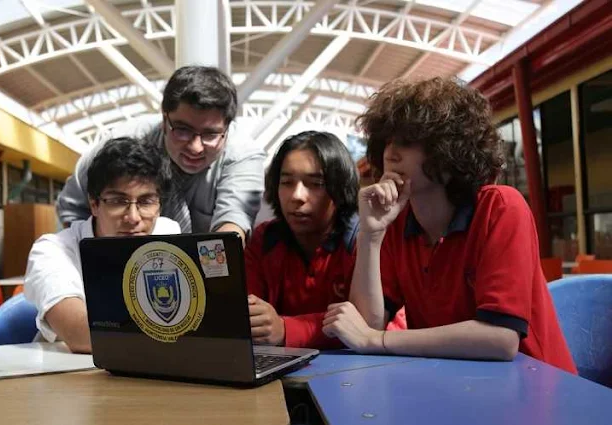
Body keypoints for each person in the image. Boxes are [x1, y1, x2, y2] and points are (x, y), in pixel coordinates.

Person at [322, 77, 577, 373]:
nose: (390, 154)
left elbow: (501, 338)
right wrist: (370, 234)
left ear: (449, 151)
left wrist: (377, 340)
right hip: (452, 383)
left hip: (538, 386)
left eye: (408, 141)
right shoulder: (395, 223)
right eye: (387, 141)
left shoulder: (500, 207)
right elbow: (364, 326)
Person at [56, 66, 265, 242]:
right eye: (183, 130)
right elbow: (73, 207)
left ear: (227, 128)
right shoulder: (121, 143)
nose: (196, 147)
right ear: (164, 120)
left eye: (210, 134)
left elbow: (233, 226)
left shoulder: (243, 155)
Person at [25, 137, 180, 353]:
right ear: (94, 204)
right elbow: (81, 334)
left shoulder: (167, 232)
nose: (133, 217)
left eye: (146, 201)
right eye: (118, 201)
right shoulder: (52, 251)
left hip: (150, 364)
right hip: (71, 369)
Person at [245, 131, 360, 349]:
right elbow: (245, 316)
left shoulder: (361, 241)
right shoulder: (264, 239)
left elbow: (367, 323)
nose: (297, 195)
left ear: (340, 188)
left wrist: (285, 329)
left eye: (316, 184)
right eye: (287, 182)